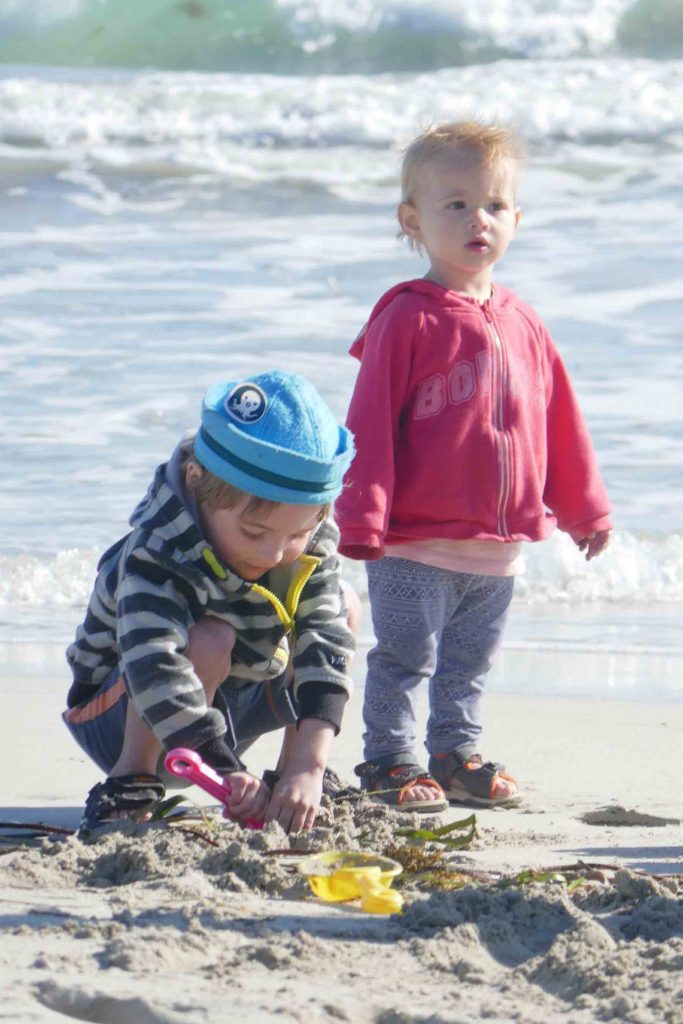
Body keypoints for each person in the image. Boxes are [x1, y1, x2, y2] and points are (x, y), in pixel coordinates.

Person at [335, 121, 612, 813]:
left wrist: (583, 508)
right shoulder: (406, 317)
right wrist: (361, 517)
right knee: (403, 659)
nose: (475, 219)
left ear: (516, 218)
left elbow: (559, 424)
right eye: (453, 204)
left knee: (468, 664)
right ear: (412, 221)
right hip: (411, 540)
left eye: (492, 204)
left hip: (497, 549)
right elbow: (367, 425)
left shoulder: (524, 321)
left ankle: (455, 756)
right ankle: (388, 762)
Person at [64, 370, 358, 837]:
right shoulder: (158, 550)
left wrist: (311, 763)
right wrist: (225, 767)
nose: (272, 554)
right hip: (120, 708)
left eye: (296, 534)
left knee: (340, 605)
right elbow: (154, 662)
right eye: (254, 533)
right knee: (209, 636)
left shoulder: (310, 541)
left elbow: (325, 644)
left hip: (227, 703)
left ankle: (289, 778)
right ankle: (130, 780)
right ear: (198, 483)